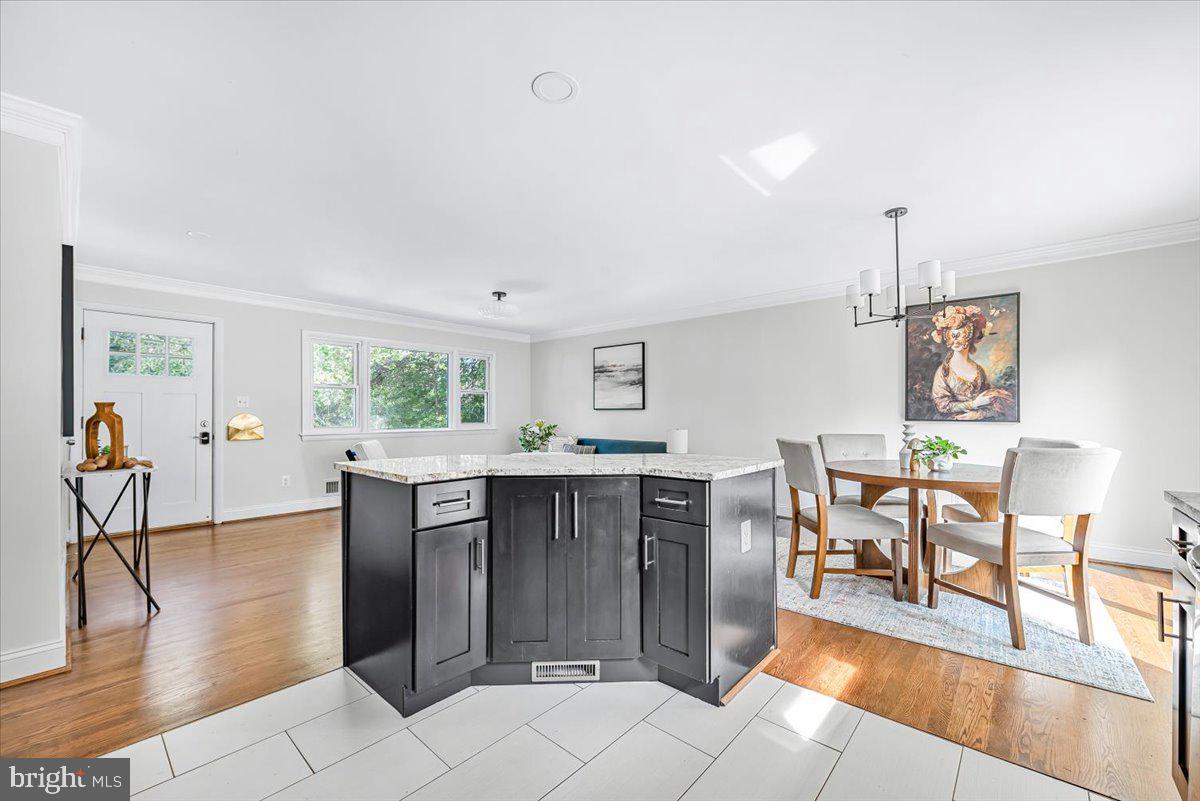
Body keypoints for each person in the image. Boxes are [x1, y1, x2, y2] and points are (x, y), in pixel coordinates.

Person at [929, 304, 1014, 420]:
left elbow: (992, 405)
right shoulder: (943, 372)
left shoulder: (979, 370)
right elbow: (942, 406)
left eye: (962, 335)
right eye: (952, 336)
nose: (956, 341)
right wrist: (973, 404)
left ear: (971, 337)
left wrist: (978, 414)